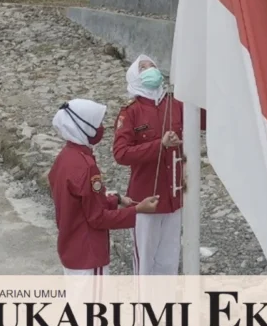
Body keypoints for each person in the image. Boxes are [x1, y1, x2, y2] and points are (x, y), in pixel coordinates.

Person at [49, 98, 161, 276]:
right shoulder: (86, 166)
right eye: (98, 123)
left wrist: (115, 200)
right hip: (89, 252)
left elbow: (81, 202)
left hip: (71, 246)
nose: (102, 128)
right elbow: (97, 218)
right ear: (84, 126)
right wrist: (137, 210)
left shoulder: (65, 158)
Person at [113, 55, 202, 276]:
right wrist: (158, 145)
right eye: (142, 67)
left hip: (174, 197)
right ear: (135, 75)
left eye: (152, 64)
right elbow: (121, 153)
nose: (149, 69)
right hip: (145, 199)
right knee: (145, 262)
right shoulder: (131, 111)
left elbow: (204, 118)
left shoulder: (176, 103)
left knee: (168, 261)